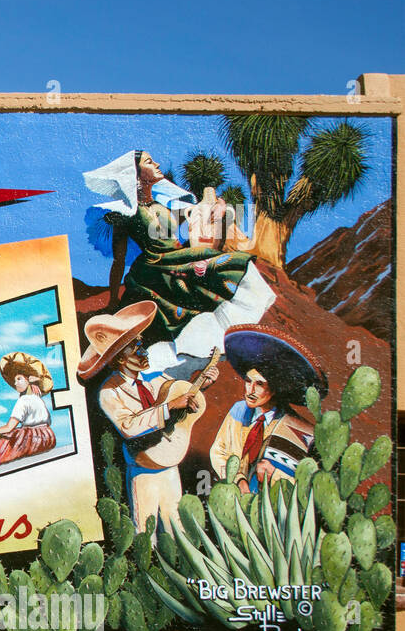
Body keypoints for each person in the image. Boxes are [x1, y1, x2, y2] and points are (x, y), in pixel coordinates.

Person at [83, 150, 274, 373]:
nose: (157, 164)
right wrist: (113, 299)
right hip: (155, 265)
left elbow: (195, 216)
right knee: (213, 269)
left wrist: (218, 208)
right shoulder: (126, 213)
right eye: (149, 162)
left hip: (178, 256)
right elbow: (119, 259)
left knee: (233, 264)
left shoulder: (162, 207)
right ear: (135, 174)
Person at [80, 301, 218, 531]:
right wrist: (171, 405)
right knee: (146, 532)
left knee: (176, 530)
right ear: (120, 358)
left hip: (170, 464)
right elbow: (129, 426)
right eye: (134, 348)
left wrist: (200, 387)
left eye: (140, 344)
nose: (143, 351)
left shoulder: (155, 377)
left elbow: (177, 396)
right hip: (144, 470)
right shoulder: (109, 392)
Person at [209, 325, 326, 493]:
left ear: (275, 388)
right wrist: (238, 480)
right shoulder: (239, 410)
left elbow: (307, 488)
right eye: (248, 381)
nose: (250, 390)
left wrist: (275, 476)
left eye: (260, 384)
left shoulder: (299, 432)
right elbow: (218, 451)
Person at [0, 351, 56, 464]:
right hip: (48, 437)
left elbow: (9, 427)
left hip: (32, 440)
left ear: (29, 380)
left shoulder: (23, 400)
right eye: (14, 380)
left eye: (19, 379)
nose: (15, 383)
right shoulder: (38, 399)